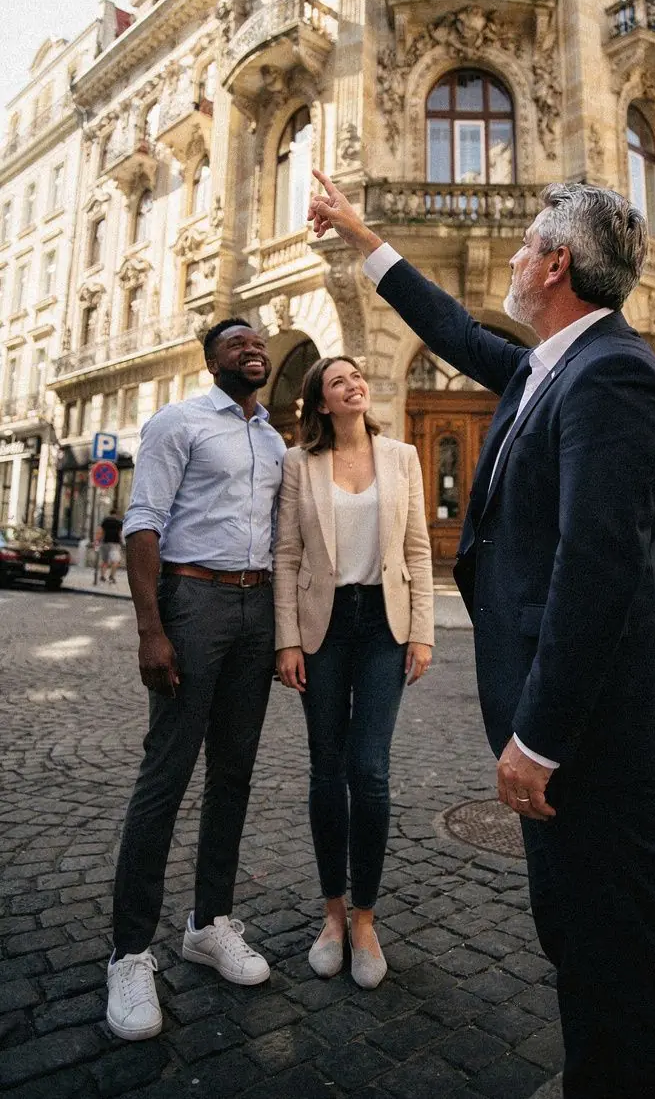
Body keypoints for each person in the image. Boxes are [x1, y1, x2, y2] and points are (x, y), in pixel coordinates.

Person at [308, 171, 655, 1099]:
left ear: (556, 264)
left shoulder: (613, 371)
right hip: (565, 727)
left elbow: (599, 566)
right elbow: (451, 330)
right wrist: (361, 233)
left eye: (522, 245)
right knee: (580, 947)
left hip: (594, 735)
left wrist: (537, 738)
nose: (507, 259)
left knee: (631, 961)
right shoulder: (548, 365)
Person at [106, 319, 285, 1041]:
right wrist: (152, 628)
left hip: (256, 608)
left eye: (259, 341)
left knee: (234, 775)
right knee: (166, 776)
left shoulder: (275, 442)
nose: (253, 347)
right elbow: (142, 523)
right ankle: (127, 953)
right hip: (193, 601)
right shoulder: (177, 422)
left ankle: (208, 923)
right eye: (238, 340)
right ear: (212, 358)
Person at [274, 355, 434, 989]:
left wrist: (422, 631)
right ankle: (331, 916)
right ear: (321, 401)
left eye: (358, 376)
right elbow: (286, 554)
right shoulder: (298, 463)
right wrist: (287, 640)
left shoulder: (401, 457)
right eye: (339, 380)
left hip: (382, 628)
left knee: (368, 769)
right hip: (323, 626)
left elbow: (417, 548)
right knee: (325, 767)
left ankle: (365, 918)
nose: (355, 383)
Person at [96, 509, 123, 584]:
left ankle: (102, 576)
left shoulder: (105, 521)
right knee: (115, 561)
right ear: (116, 514)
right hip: (115, 544)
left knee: (105, 561)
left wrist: (97, 540)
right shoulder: (119, 522)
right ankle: (111, 576)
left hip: (105, 543)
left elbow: (101, 531)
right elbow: (121, 533)